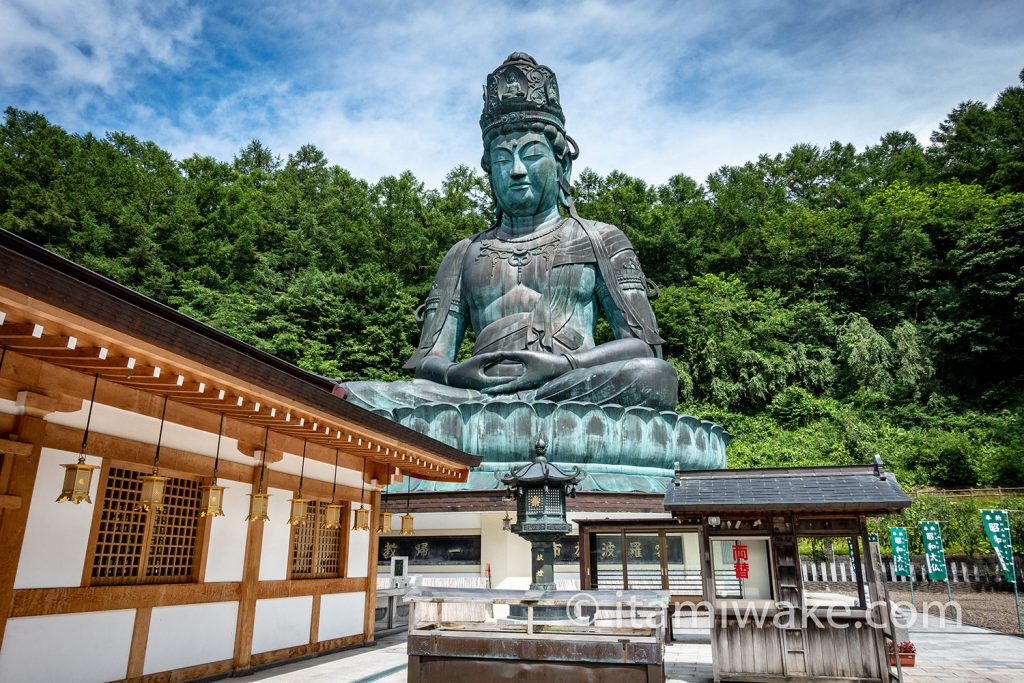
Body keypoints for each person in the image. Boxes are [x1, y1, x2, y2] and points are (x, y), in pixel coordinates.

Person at [342, 52, 678, 412]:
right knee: (356, 395)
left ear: (561, 162)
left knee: (651, 375)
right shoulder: (463, 254)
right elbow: (428, 361)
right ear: (490, 172)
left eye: (531, 155)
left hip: (568, 384)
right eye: (503, 159)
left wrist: (567, 364)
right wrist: (458, 373)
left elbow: (644, 347)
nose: (517, 170)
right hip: (474, 394)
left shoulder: (600, 239)